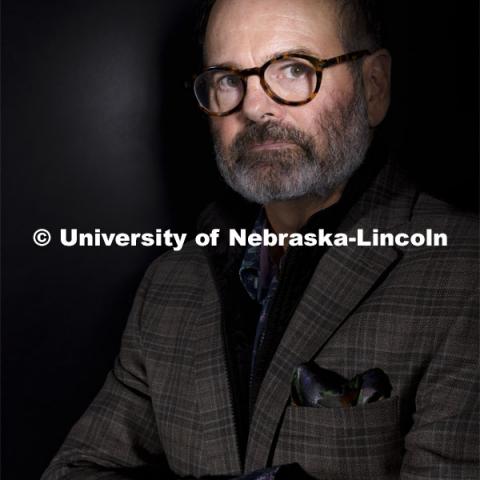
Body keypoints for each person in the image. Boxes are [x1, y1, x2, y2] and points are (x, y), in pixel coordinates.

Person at [42, 0, 478, 479]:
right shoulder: (170, 282)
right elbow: (76, 469)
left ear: (373, 86)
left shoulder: (463, 271)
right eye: (229, 80)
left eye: (294, 68)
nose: (253, 106)